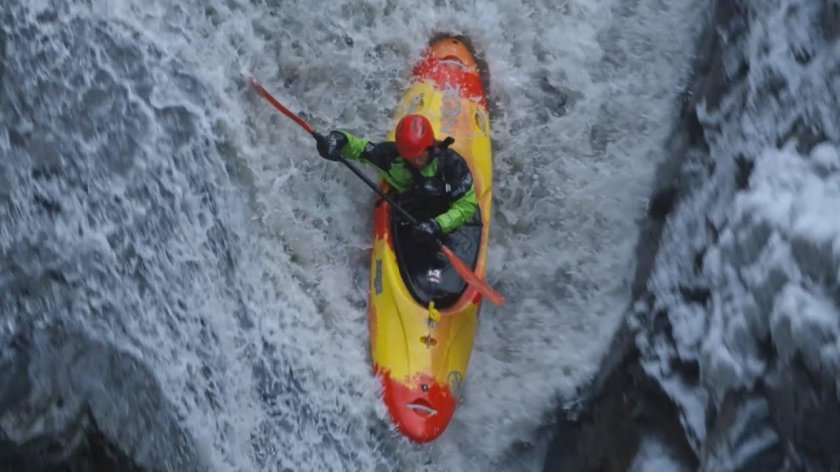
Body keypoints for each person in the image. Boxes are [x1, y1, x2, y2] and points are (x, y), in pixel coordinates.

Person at [315, 114, 480, 301]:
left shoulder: (452, 165)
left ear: (430, 147)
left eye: (420, 156)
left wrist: (437, 225)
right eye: (410, 157)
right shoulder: (390, 157)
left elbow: (467, 207)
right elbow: (360, 148)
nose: (416, 161)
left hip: (447, 221)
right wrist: (338, 139)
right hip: (412, 219)